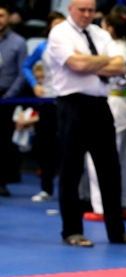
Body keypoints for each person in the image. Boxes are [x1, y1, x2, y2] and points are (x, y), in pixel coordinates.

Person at [47, 0, 126, 247]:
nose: (87, 14)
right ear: (70, 9)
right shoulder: (60, 33)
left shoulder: (100, 33)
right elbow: (76, 65)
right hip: (72, 104)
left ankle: (116, 231)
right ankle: (71, 231)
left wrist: (88, 61)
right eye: (82, 9)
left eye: (91, 10)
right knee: (71, 170)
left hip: (101, 105)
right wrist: (102, 61)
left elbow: (119, 66)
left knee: (110, 169)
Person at [84, 9, 126, 222]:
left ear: (110, 29)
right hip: (124, 105)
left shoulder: (112, 48)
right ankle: (125, 203)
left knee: (98, 159)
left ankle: (102, 207)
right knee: (124, 160)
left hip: (111, 103)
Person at [22, 11, 66, 202]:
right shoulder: (43, 47)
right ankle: (46, 188)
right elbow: (26, 66)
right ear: (49, 27)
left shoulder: (73, 46)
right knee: (46, 145)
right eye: (55, 24)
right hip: (48, 100)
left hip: (68, 100)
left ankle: (68, 190)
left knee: (67, 145)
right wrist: (35, 85)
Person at [0, 3, 27, 197]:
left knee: (3, 142)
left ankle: (1, 181)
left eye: (2, 15)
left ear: (9, 17)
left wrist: (9, 95)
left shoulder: (19, 42)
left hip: (6, 98)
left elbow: (22, 72)